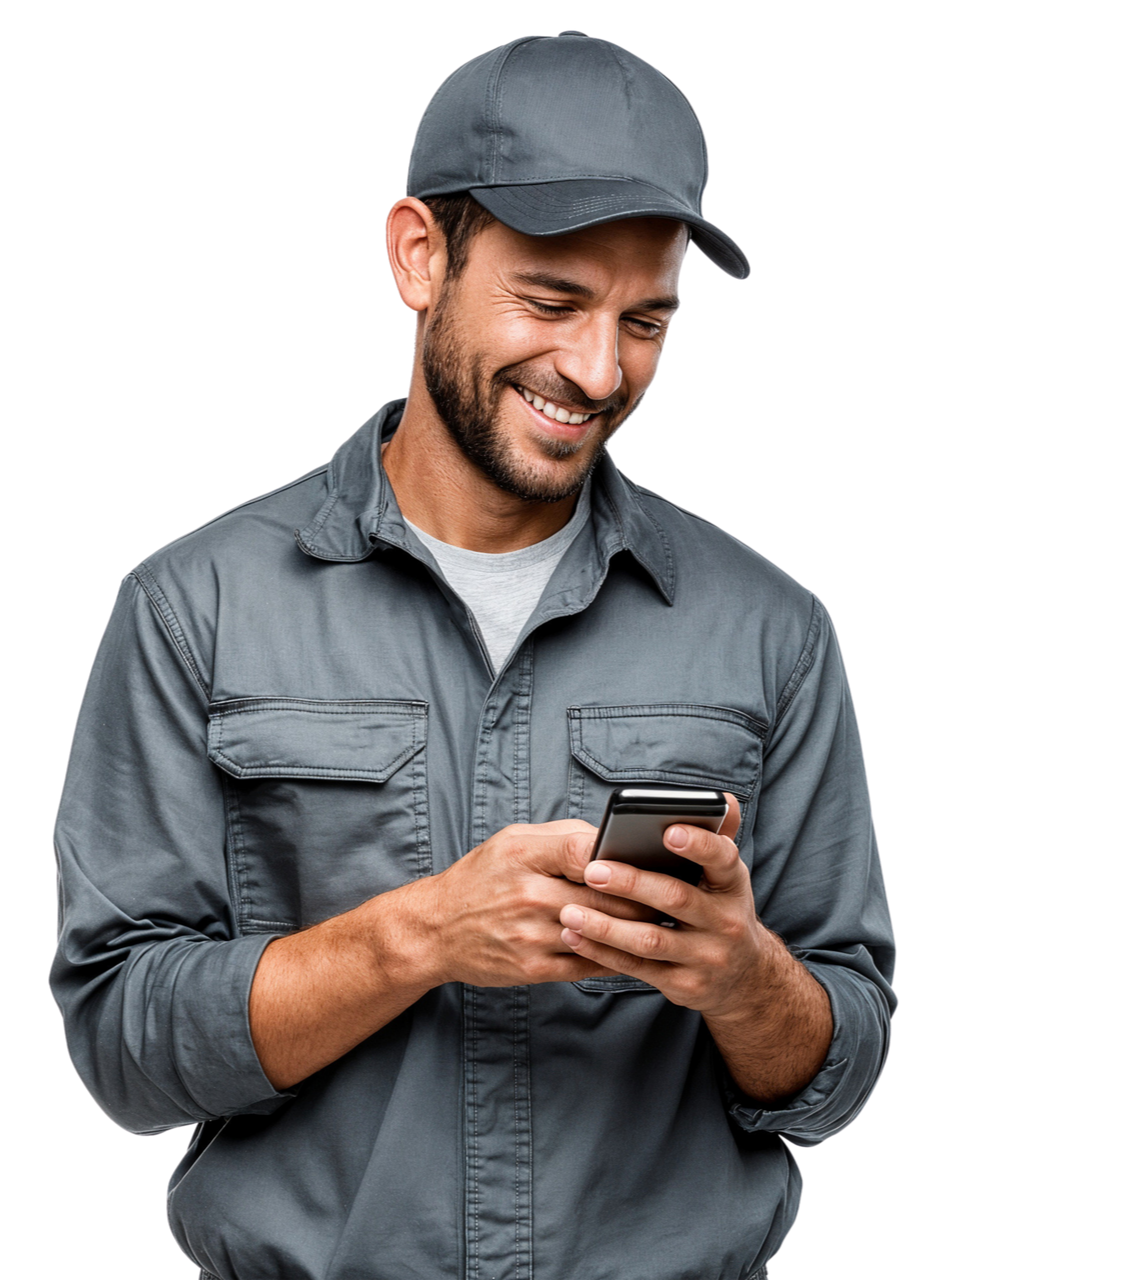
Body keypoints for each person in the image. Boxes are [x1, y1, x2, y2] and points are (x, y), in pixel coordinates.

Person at [51, 32, 895, 1280]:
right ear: (418, 256)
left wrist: (740, 973)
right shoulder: (194, 607)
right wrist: (424, 934)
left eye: (644, 320)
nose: (596, 370)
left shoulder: (772, 629)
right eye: (551, 301)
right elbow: (124, 1051)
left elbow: (837, 1068)